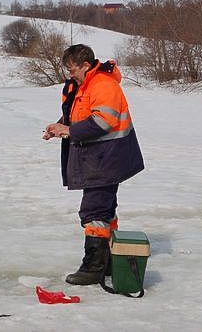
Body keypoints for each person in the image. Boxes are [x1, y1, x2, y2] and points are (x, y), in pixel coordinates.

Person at [42, 44, 144, 285]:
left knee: (94, 211)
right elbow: (80, 115)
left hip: (107, 158)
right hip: (99, 158)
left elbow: (103, 121)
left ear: (86, 65)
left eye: (72, 69)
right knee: (105, 210)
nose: (70, 74)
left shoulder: (103, 85)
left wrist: (68, 130)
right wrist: (59, 128)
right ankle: (108, 261)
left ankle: (94, 267)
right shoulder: (84, 85)